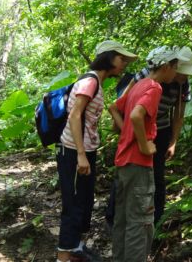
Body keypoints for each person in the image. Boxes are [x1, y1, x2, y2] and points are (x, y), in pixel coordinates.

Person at [56, 40, 137, 262]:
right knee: (72, 203)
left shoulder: (97, 82)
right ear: (109, 58)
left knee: (83, 200)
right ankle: (63, 255)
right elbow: (74, 116)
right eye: (121, 59)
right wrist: (81, 154)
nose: (123, 65)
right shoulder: (90, 81)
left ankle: (75, 248)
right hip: (73, 150)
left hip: (84, 149)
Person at [105, 47, 192, 227]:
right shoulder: (149, 76)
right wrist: (127, 131)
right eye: (183, 72)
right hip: (138, 128)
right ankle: (115, 217)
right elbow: (125, 103)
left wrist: (173, 142)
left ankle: (155, 220)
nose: (185, 77)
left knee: (156, 174)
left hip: (160, 130)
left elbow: (178, 115)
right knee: (129, 171)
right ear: (171, 67)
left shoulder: (183, 84)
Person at [109, 46, 188, 262]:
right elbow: (136, 116)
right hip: (138, 161)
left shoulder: (139, 85)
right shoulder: (154, 87)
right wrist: (144, 145)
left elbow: (114, 107)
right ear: (165, 67)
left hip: (123, 160)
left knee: (122, 219)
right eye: (175, 68)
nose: (176, 74)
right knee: (140, 222)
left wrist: (128, 133)